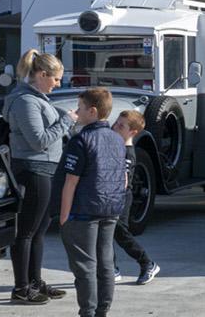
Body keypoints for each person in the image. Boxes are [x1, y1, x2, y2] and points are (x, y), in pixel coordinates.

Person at [4, 49, 75, 305]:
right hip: (34, 170)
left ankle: (34, 282)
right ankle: (21, 288)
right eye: (56, 79)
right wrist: (66, 121)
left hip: (45, 169)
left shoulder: (37, 98)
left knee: (39, 231)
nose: (59, 84)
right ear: (42, 75)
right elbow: (38, 141)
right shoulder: (25, 101)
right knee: (26, 231)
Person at [59, 87, 128, 317]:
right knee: (105, 263)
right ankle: (103, 310)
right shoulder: (118, 140)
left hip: (84, 210)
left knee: (85, 266)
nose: (76, 113)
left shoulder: (81, 140)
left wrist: (63, 215)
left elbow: (70, 181)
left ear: (93, 111)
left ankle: (87, 312)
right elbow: (124, 177)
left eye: (80, 109)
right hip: (111, 208)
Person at [110, 110, 161, 285]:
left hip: (121, 197)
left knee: (120, 232)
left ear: (133, 132)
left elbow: (123, 181)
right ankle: (112, 269)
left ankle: (147, 263)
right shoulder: (115, 145)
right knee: (105, 232)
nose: (115, 126)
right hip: (110, 196)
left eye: (120, 125)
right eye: (116, 122)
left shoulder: (128, 153)